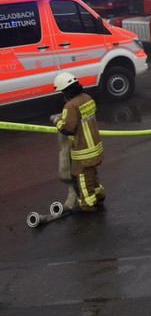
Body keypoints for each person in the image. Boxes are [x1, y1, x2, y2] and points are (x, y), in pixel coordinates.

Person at [51, 72, 105, 212]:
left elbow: (68, 128)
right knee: (92, 173)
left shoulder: (70, 106)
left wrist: (58, 121)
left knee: (82, 178)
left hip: (82, 151)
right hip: (95, 147)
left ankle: (87, 205)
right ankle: (99, 195)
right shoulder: (87, 98)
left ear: (66, 90)